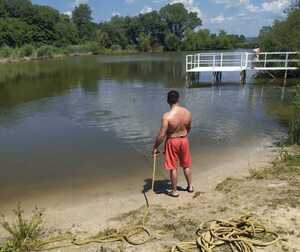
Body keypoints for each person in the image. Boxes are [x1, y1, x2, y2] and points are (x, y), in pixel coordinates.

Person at [152, 90, 193, 197]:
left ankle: (174, 191)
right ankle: (190, 187)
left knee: (173, 167)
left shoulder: (167, 116)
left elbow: (161, 134)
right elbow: (189, 127)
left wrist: (155, 147)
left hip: (172, 141)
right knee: (186, 165)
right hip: (184, 140)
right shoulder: (187, 112)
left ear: (168, 101)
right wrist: (183, 135)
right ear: (178, 99)